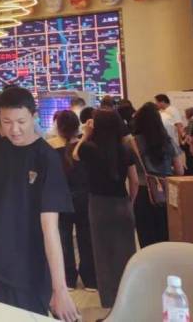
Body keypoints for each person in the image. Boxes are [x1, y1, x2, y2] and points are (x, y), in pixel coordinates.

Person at [0, 87, 78, 320]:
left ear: (34, 116)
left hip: (30, 266)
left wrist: (60, 290)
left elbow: (50, 227)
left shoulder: (46, 158)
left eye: (21, 121)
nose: (14, 129)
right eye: (7, 122)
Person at [73, 109, 138, 309]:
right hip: (122, 202)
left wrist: (86, 134)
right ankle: (129, 297)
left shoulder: (89, 148)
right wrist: (130, 202)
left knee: (103, 254)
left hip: (98, 204)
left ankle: (109, 302)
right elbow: (134, 181)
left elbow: (75, 155)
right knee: (126, 252)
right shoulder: (125, 149)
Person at [51, 110, 96, 291]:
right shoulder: (86, 147)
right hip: (84, 198)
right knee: (86, 238)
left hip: (61, 199)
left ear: (58, 127)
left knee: (64, 239)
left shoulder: (50, 148)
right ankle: (90, 279)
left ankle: (68, 279)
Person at [131, 103, 183, 247]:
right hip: (167, 192)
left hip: (143, 192)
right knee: (166, 235)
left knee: (147, 237)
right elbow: (180, 170)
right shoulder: (167, 141)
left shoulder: (133, 142)